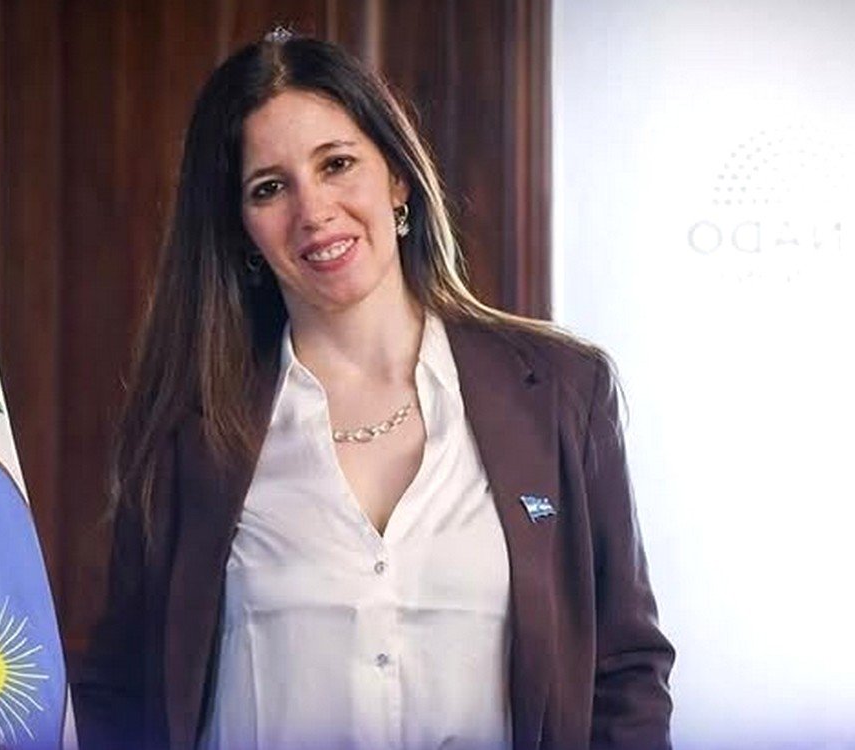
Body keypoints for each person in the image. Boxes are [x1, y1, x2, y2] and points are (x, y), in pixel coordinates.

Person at [72, 30, 674, 750]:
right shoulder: (188, 432)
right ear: (240, 231)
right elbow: (121, 692)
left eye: (337, 164)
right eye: (270, 188)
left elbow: (625, 674)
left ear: (397, 179)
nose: (314, 211)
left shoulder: (563, 393)